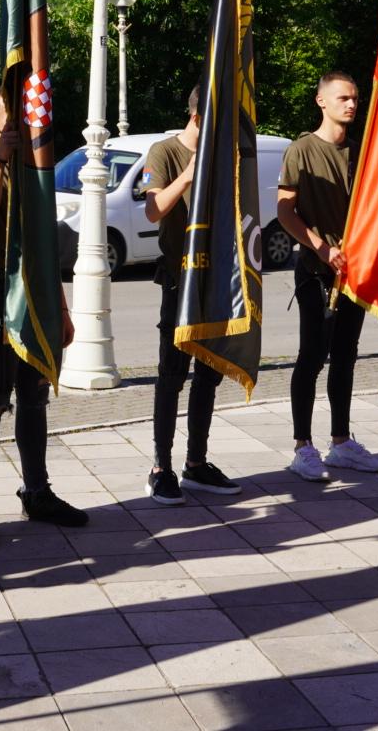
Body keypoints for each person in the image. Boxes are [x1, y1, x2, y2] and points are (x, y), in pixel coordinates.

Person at [0, 88, 86, 547]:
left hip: (35, 293)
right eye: (14, 117)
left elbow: (44, 244)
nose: (26, 125)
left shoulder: (37, 169)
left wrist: (62, 309)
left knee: (34, 397)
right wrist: (0, 160)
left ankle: (37, 492)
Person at [277, 71, 378, 480]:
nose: (352, 104)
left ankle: (341, 442)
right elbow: (285, 211)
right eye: (343, 98)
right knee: (312, 355)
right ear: (321, 101)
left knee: (345, 356)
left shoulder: (360, 151)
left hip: (353, 271)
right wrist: (321, 247)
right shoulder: (302, 149)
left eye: (355, 98)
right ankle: (302, 447)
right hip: (315, 272)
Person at [139, 86, 241, 504]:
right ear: (198, 118)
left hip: (215, 279)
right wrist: (188, 175)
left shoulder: (224, 155)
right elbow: (153, 210)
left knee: (209, 374)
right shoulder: (164, 152)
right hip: (179, 278)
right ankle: (160, 469)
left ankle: (196, 463)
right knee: (171, 376)